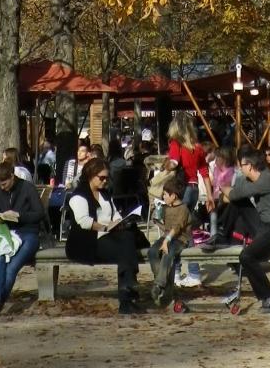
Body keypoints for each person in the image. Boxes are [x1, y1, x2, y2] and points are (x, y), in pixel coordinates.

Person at [65, 158, 143, 316]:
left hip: (109, 236)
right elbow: (84, 222)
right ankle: (128, 294)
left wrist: (120, 222)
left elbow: (115, 213)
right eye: (101, 178)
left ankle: (127, 297)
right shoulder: (79, 196)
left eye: (107, 178)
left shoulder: (105, 194)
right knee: (126, 249)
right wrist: (105, 227)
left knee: (127, 239)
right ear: (90, 175)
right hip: (88, 241)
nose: (105, 181)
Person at [221, 147, 270, 313]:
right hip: (264, 226)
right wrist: (229, 193)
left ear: (250, 166)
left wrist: (223, 188)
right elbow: (233, 196)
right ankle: (221, 234)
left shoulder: (266, 180)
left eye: (241, 165)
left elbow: (231, 194)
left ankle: (269, 297)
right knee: (239, 202)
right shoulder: (251, 181)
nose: (239, 168)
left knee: (246, 256)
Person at [0, 160, 47, 316]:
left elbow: (39, 213)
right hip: (7, 232)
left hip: (28, 233)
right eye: (0, 184)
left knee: (13, 266)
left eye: (5, 183)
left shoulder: (27, 188)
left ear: (12, 176)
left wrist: (19, 216)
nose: (2, 187)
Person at [166, 115, 214, 287]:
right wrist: (209, 196)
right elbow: (204, 171)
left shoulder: (175, 143)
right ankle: (193, 272)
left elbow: (173, 162)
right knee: (188, 229)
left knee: (176, 230)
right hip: (194, 189)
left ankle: (177, 272)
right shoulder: (197, 147)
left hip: (181, 189)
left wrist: (165, 165)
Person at [148, 173, 193, 309]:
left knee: (168, 254)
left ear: (174, 196)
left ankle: (159, 284)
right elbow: (166, 227)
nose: (163, 197)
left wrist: (167, 240)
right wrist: (156, 218)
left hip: (180, 239)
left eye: (165, 195)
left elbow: (177, 227)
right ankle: (163, 284)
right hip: (167, 237)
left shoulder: (183, 209)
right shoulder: (167, 208)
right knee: (152, 251)